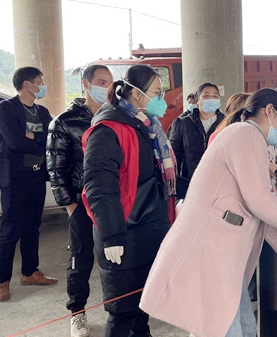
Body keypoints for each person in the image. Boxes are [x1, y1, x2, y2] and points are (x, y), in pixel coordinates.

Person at [140, 88, 277, 337]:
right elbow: (261, 202)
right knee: (229, 330)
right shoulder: (246, 134)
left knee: (243, 329)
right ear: (269, 111)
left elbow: (262, 216)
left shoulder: (247, 136)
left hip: (222, 261)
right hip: (210, 256)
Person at [83, 64, 175, 337]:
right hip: (124, 234)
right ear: (136, 94)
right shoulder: (108, 130)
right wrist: (112, 235)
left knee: (142, 308)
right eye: (157, 92)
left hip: (147, 230)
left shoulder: (147, 127)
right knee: (122, 313)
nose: (162, 99)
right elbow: (100, 187)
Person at [46, 64, 113, 336]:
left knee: (115, 257)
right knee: (80, 258)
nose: (106, 87)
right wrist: (70, 205)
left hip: (111, 202)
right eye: (101, 82)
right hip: (81, 202)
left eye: (109, 83)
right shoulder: (64, 121)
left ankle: (118, 310)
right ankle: (77, 313)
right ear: (86, 84)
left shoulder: (114, 117)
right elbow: (56, 168)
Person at [0, 66, 58, 302]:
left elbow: (51, 138)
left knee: (33, 226)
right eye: (40, 81)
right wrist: (38, 141)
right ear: (27, 84)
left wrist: (33, 136)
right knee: (10, 229)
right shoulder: (6, 109)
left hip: (36, 176)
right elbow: (15, 142)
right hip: (15, 178)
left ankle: (30, 272)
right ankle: (2, 281)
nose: (42, 86)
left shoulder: (42, 111)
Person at [170, 83, 225, 179]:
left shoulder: (227, 123)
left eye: (215, 96)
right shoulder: (182, 123)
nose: (211, 99)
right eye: (206, 96)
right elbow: (175, 155)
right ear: (197, 101)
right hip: (190, 179)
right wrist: (175, 180)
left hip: (219, 179)